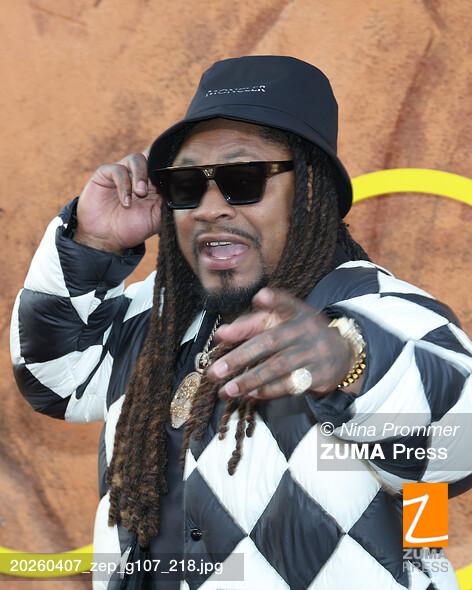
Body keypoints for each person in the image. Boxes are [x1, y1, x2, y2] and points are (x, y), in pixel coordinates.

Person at [10, 55, 472, 590]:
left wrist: (352, 365)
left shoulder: (380, 305)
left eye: (242, 178)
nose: (209, 207)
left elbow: (459, 449)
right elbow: (55, 377)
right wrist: (91, 244)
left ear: (311, 190)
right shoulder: (161, 317)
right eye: (186, 184)